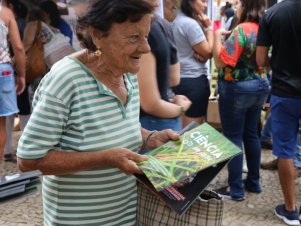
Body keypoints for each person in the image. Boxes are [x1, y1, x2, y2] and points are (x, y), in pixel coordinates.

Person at [16, 1, 180, 225]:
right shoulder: (66, 80)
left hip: (127, 217)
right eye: (133, 37)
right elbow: (28, 160)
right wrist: (106, 158)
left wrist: (149, 137)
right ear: (97, 35)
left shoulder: (127, 71)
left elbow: (115, 125)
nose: (146, 48)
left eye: (146, 36)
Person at [213, 0, 269, 201]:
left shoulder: (241, 30)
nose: (236, 7)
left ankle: (235, 189)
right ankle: (253, 182)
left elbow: (221, 62)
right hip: (261, 84)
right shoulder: (264, 28)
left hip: (237, 87)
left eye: (239, 4)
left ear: (246, 6)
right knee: (252, 134)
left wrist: (216, 37)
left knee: (233, 136)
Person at [256, 0, 301, 223]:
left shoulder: (273, 14)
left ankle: (291, 209)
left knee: (285, 152)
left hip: (285, 93)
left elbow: (261, 59)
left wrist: (280, 61)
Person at [138, 0, 191, 132]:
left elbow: (150, 103)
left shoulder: (144, 26)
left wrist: (180, 109)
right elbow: (173, 78)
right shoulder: (162, 24)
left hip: (150, 122)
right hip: (164, 115)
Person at [172, 0, 213, 128]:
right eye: (203, 1)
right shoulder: (190, 24)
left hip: (178, 79)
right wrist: (209, 28)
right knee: (192, 133)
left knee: (181, 130)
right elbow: (208, 52)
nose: (205, 5)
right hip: (194, 81)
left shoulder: (175, 21)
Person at [4, 0, 30, 162]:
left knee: (7, 114)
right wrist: (22, 74)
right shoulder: (14, 21)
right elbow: (20, 48)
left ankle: (7, 150)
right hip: (9, 69)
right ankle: (25, 150)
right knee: (22, 110)